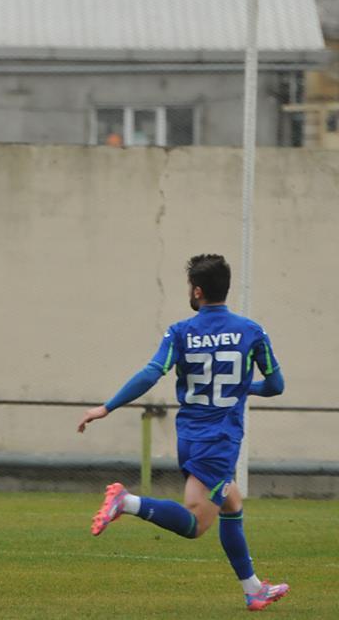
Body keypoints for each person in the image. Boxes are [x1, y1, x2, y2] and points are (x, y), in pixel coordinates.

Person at [77, 254, 289, 612]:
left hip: (190, 437)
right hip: (220, 440)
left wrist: (107, 407)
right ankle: (126, 502)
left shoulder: (180, 332)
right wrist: (242, 387)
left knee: (232, 503)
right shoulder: (252, 332)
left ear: (198, 291)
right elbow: (276, 385)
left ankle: (254, 589)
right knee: (194, 524)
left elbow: (151, 372)